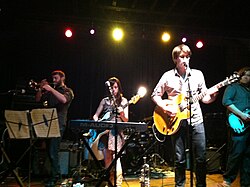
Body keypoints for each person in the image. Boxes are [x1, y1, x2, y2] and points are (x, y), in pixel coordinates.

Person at [151, 44, 218, 187]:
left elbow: (205, 98)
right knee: (179, 158)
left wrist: (212, 97)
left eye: (187, 56)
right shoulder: (167, 76)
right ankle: (179, 185)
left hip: (196, 119)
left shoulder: (198, 74)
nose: (185, 59)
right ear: (175, 59)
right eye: (182, 57)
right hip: (176, 122)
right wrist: (165, 107)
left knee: (201, 157)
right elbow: (155, 95)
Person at [35, 70, 74, 186]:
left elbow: (63, 100)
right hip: (47, 123)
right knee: (48, 151)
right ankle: (56, 175)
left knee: (53, 151)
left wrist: (50, 89)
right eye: (53, 78)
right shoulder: (51, 92)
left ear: (62, 78)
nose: (53, 80)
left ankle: (55, 177)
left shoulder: (68, 91)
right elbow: (38, 100)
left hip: (59, 124)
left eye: (56, 78)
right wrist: (40, 89)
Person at [92, 77, 128, 187]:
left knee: (116, 158)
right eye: (111, 88)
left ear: (119, 88)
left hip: (116, 132)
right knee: (107, 159)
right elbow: (96, 115)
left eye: (116, 87)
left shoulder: (124, 101)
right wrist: (96, 121)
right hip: (105, 132)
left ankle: (118, 183)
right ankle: (109, 182)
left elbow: (126, 120)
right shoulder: (105, 101)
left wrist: (121, 114)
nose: (113, 90)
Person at [218, 67, 250, 187]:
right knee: (236, 153)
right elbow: (226, 102)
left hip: (248, 125)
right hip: (238, 123)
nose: (247, 77)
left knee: (247, 155)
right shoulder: (233, 87)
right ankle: (227, 180)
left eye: (249, 75)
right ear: (240, 76)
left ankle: (246, 182)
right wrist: (241, 115)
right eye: (245, 75)